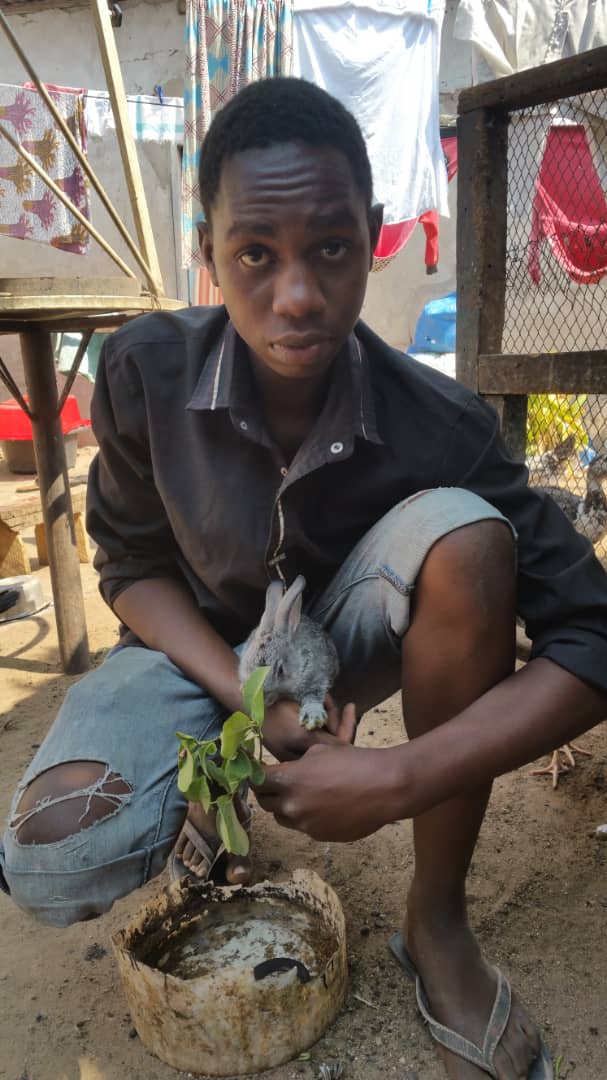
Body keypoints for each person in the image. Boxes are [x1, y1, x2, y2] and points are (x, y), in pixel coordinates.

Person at [1, 77, 606, 1080]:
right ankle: (214, 797)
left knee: (467, 539)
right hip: (189, 649)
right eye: (254, 254)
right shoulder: (143, 372)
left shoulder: (441, 424)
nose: (295, 294)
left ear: (370, 235)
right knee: (56, 853)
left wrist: (406, 772)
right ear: (206, 252)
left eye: (329, 248)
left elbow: (591, 635)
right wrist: (244, 687)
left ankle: (437, 921)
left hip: (344, 639)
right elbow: (133, 566)